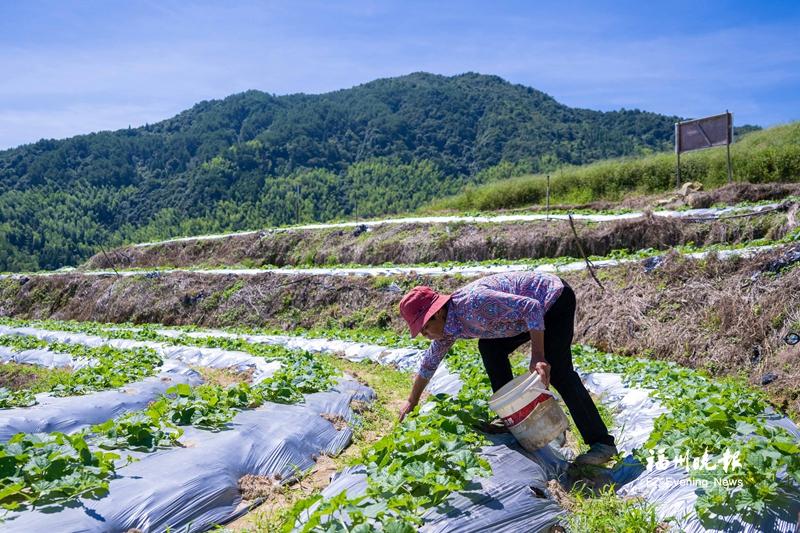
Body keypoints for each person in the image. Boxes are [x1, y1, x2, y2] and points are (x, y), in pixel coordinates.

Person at [397, 271, 617, 466]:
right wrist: (412, 401)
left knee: (558, 370)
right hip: (526, 312)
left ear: (437, 314)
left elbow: (532, 307)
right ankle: (511, 414)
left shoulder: (473, 305)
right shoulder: (449, 325)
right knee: (490, 347)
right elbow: (429, 362)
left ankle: (601, 443)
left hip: (552, 299)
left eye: (425, 329)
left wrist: (538, 355)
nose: (425, 336)